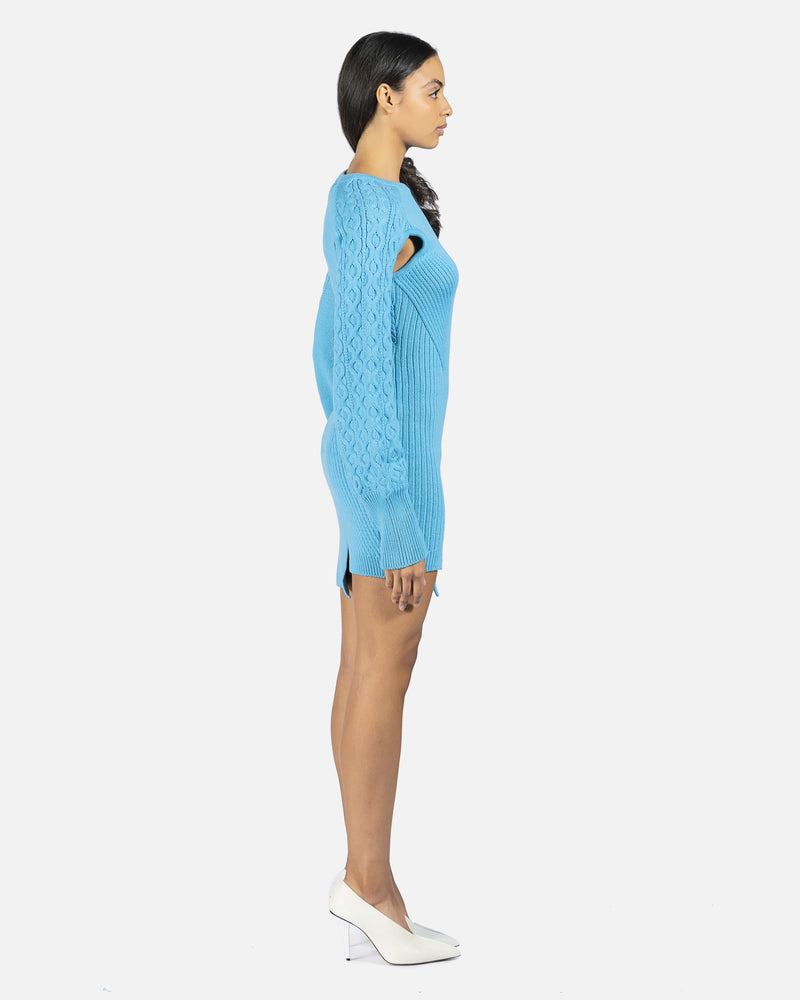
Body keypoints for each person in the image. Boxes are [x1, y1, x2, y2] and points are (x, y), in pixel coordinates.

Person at [312, 30, 461, 965]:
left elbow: (329, 349)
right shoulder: (372, 204)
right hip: (392, 476)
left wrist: (358, 466)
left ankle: (373, 887)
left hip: (376, 466)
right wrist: (395, 513)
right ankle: (369, 887)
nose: (448, 107)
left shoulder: (366, 198)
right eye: (433, 89)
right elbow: (360, 363)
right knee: (383, 674)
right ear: (384, 96)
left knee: (364, 668)